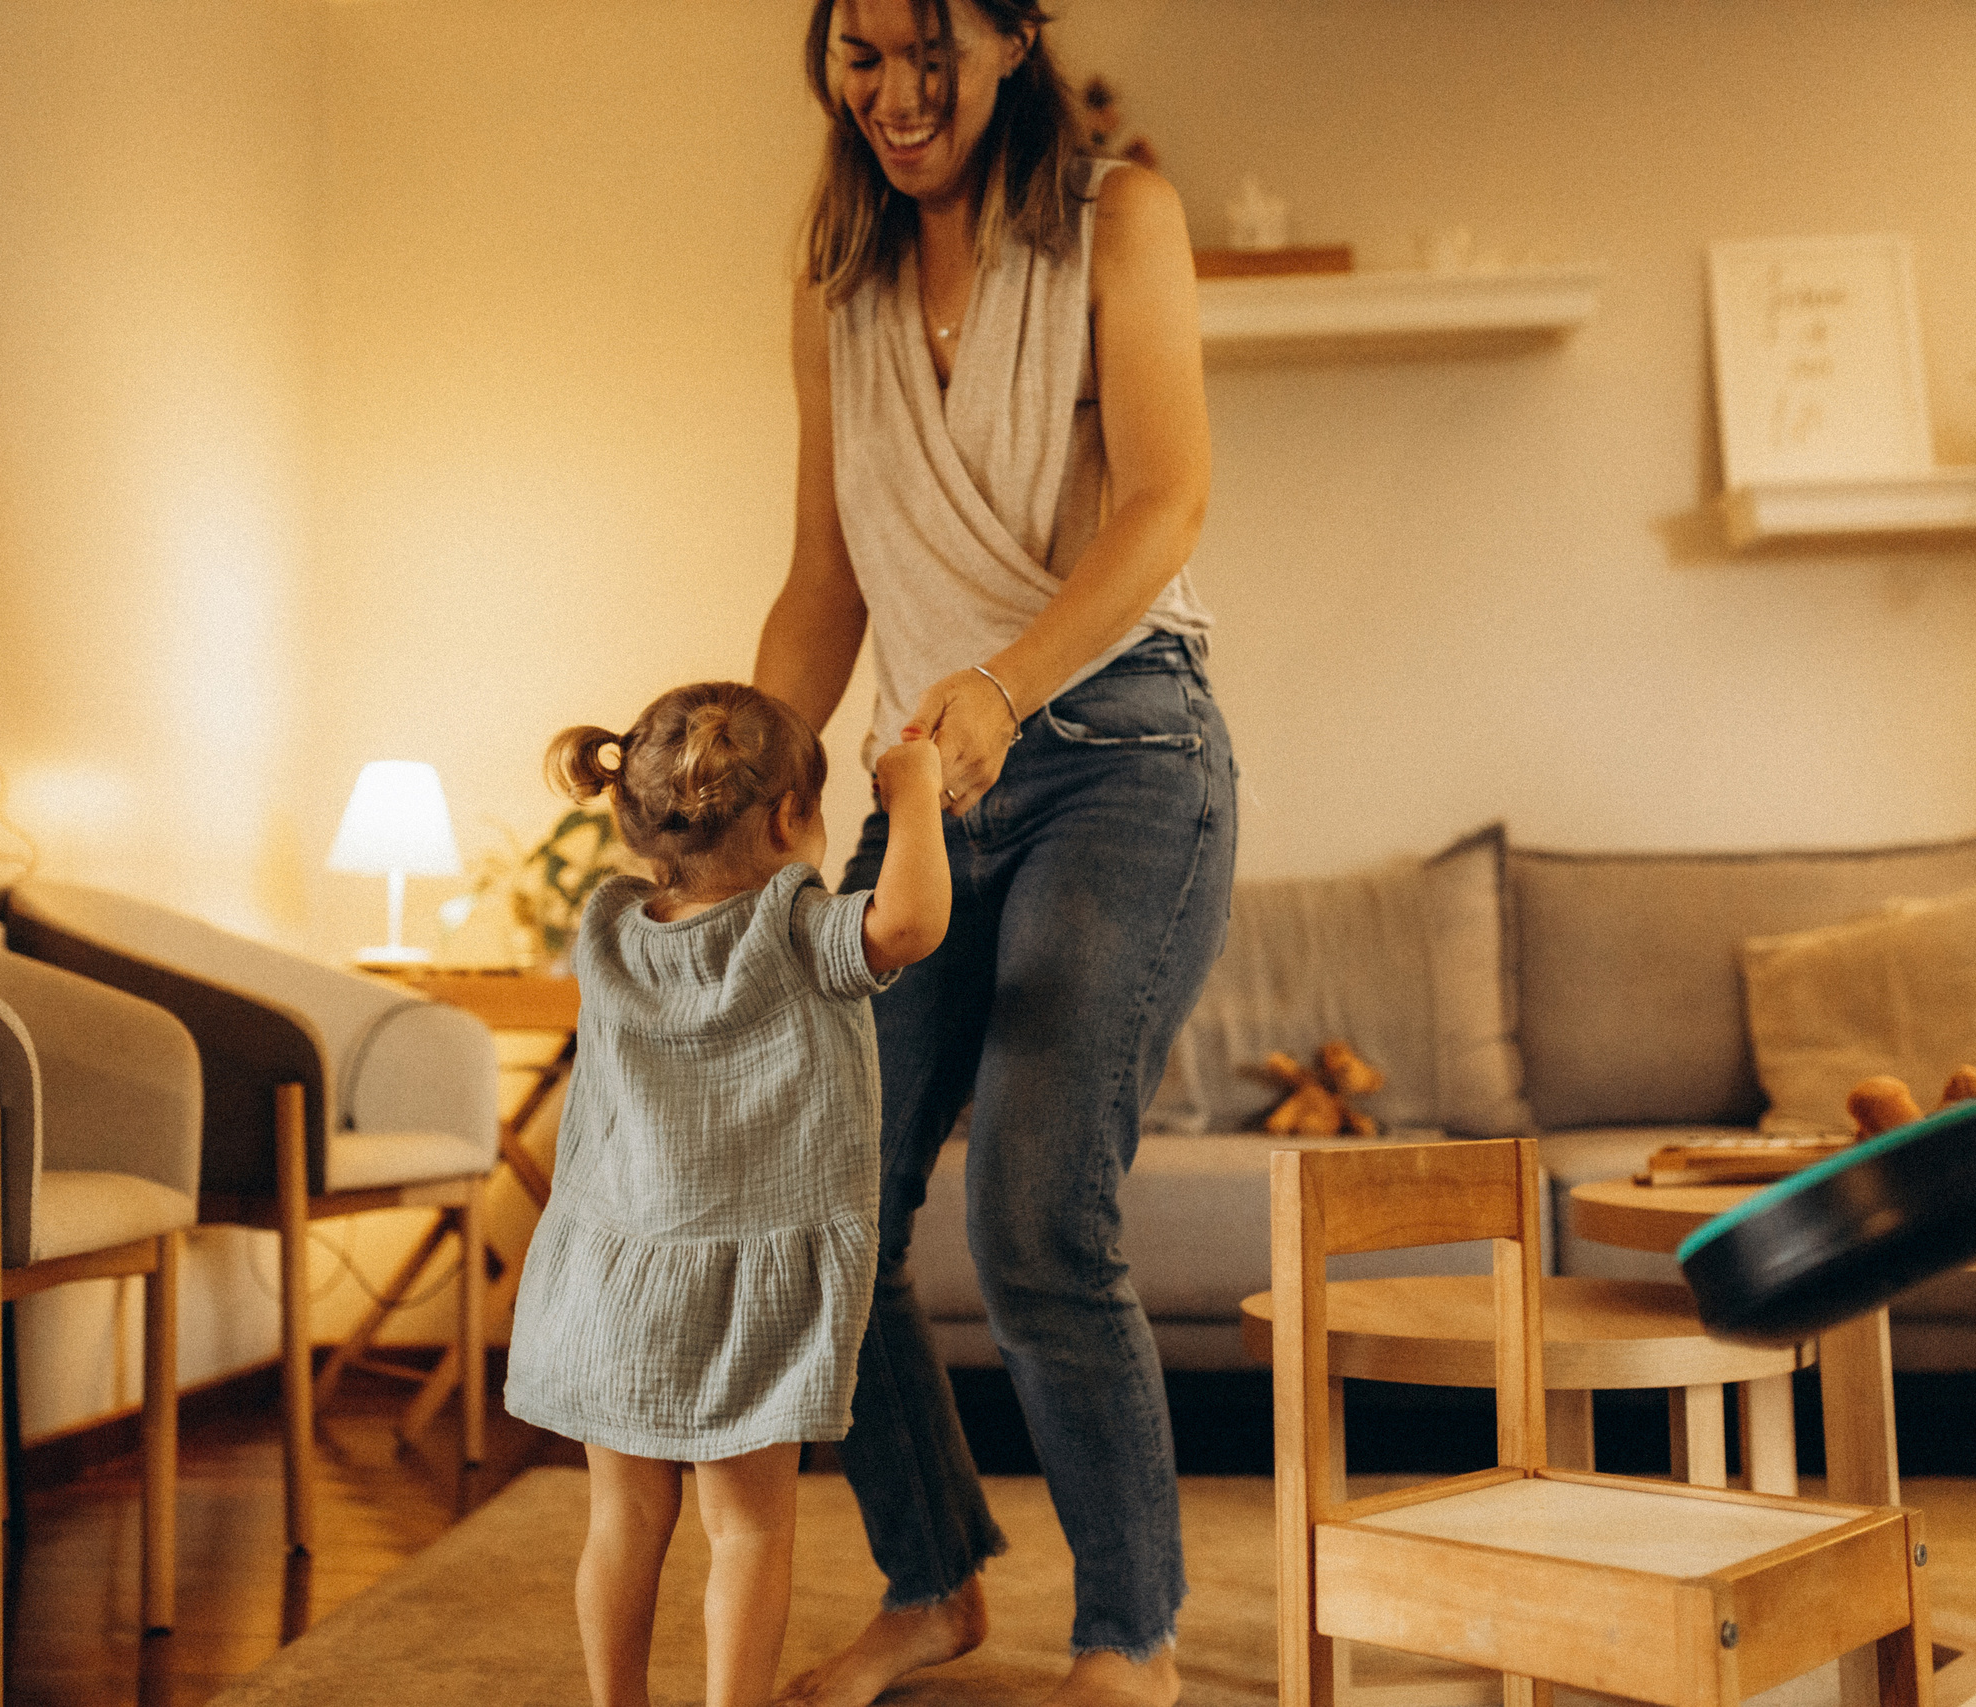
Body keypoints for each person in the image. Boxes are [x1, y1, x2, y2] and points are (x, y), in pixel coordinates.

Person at [751, 2, 1231, 1704]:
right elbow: (826, 581)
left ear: (1018, 34)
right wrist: (741, 774)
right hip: (925, 794)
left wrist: (1002, 689)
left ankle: (1131, 1632)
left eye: (931, 44)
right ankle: (932, 1579)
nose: (895, 89)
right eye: (858, 49)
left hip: (1119, 756)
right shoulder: (837, 287)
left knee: (1035, 1205)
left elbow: (1164, 500)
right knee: (824, 1207)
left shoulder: (1119, 214)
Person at [503, 682, 953, 1707]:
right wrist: (914, 787)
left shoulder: (608, 929)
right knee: (746, 1530)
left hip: (615, 1276)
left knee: (619, 1521)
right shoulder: (797, 933)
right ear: (793, 817)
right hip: (754, 1288)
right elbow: (914, 919)